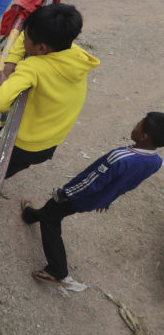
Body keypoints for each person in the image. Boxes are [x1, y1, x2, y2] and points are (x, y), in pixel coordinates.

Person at [0, 4, 101, 206]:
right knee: (4, 169)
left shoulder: (34, 67)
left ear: (41, 48)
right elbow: (25, 41)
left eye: (27, 36)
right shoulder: (73, 53)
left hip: (24, 143)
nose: (23, 38)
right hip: (50, 139)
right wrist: (11, 63)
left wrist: (2, 84)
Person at [21, 113, 164, 286]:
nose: (134, 127)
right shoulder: (156, 162)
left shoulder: (120, 157)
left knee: (51, 219)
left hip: (79, 196)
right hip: (95, 200)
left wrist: (66, 193)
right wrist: (108, 199)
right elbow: (130, 184)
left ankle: (57, 270)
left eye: (137, 125)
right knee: (53, 210)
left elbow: (92, 181)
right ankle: (30, 215)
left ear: (144, 136)